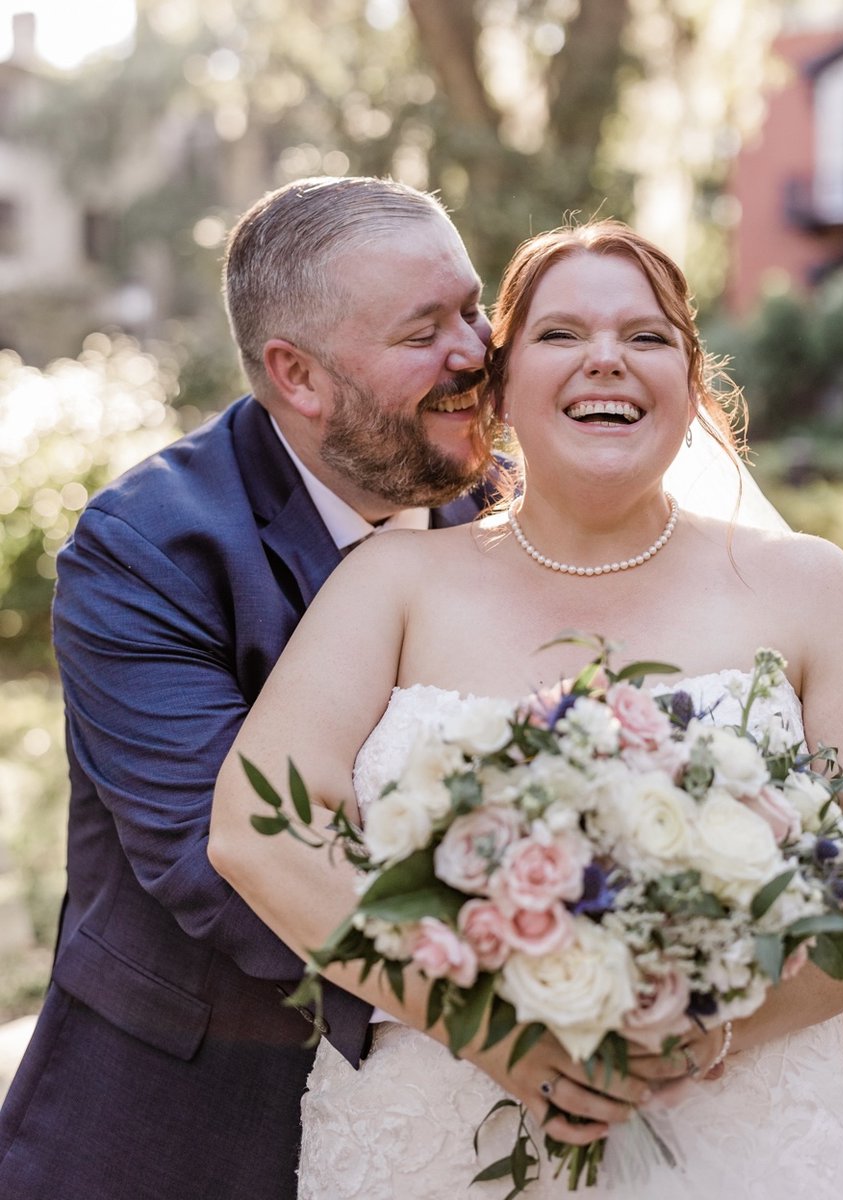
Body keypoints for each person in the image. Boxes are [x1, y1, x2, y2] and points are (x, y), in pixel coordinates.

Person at [209, 220, 843, 1199]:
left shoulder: (806, 588)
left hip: (734, 1144)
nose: (605, 358)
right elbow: (257, 832)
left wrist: (705, 1035)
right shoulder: (391, 582)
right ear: (499, 380)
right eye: (560, 334)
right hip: (436, 1138)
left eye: (646, 337)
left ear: (690, 383)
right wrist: (489, 1031)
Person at [0, 175, 498, 1200]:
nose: (476, 351)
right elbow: (221, 862)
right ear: (296, 375)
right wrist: (521, 998)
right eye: (424, 331)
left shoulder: (508, 505)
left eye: (472, 306)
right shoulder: (148, 550)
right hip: (186, 1115)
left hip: (472, 1129)